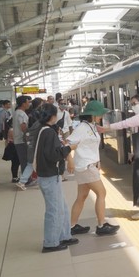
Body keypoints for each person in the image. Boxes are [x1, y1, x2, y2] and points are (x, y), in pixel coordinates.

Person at [97, 94, 139, 219]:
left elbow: (125, 123)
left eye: (135, 103)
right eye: (131, 104)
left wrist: (106, 128)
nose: (133, 106)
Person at [67, 100, 119, 236]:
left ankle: (72, 226)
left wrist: (98, 161)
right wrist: (70, 160)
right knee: (102, 193)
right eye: (100, 114)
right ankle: (101, 225)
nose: (101, 116)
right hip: (86, 166)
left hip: (88, 165)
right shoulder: (82, 128)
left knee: (82, 196)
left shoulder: (91, 126)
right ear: (93, 115)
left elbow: (90, 146)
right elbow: (67, 144)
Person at [31, 103, 79, 253]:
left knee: (62, 207)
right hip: (49, 175)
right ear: (52, 116)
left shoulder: (43, 130)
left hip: (49, 175)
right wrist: (69, 149)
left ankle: (64, 235)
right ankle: (50, 243)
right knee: (54, 210)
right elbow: (53, 155)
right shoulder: (48, 133)